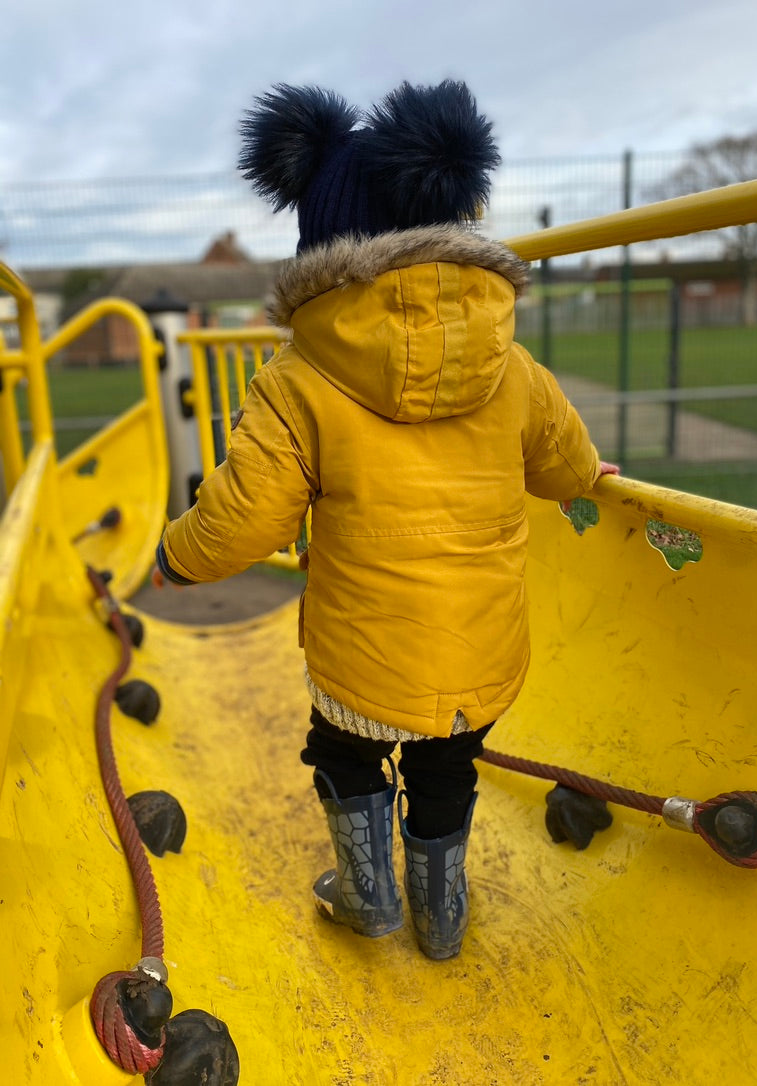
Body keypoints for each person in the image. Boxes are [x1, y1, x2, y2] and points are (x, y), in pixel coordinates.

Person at [154, 80, 619, 960]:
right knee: (448, 767)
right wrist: (592, 475)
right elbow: (564, 468)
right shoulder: (511, 366)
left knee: (345, 750)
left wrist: (176, 559)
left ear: (319, 244)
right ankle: (442, 918)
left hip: (363, 655)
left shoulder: (297, 381)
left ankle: (369, 896)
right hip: (481, 655)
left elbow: (245, 517)